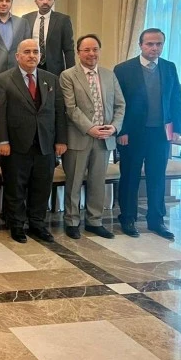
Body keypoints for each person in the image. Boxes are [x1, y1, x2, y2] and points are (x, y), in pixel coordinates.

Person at [0, 39, 67, 244]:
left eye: (35, 52)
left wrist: (61, 140)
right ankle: (16, 225)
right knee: (16, 188)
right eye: (27, 52)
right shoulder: (4, 79)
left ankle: (37, 224)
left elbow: (59, 111)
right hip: (16, 145)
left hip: (45, 144)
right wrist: (3, 141)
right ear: (18, 56)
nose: (32, 55)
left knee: (41, 187)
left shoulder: (51, 79)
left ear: (40, 56)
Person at [114, 28, 181, 240]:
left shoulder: (169, 67)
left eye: (158, 44)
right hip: (132, 134)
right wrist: (122, 130)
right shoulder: (123, 69)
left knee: (157, 177)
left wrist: (177, 130)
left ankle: (156, 220)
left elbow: (176, 99)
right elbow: (118, 103)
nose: (154, 48)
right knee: (130, 177)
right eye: (150, 44)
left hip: (160, 134)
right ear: (141, 45)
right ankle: (127, 217)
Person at [60, 34, 125, 239]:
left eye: (95, 49)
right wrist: (90, 128)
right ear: (78, 52)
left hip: (105, 138)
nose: (91, 53)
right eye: (86, 50)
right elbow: (71, 108)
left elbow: (120, 105)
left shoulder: (109, 75)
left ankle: (94, 221)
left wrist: (114, 127)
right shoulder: (68, 75)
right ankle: (72, 221)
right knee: (74, 182)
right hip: (79, 137)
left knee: (98, 182)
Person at [23, 0, 75, 75]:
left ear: (54, 0)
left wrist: (71, 73)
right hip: (31, 66)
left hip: (54, 69)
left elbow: (68, 49)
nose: (45, 2)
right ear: (36, 1)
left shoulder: (63, 20)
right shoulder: (26, 19)